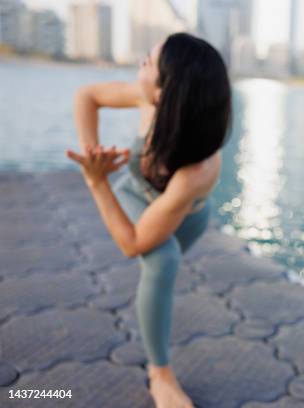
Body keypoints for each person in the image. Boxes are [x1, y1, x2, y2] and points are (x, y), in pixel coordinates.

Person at [66, 33, 231, 408]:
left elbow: (132, 243)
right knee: (162, 259)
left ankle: (149, 311)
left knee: (156, 263)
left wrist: (94, 182)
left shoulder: (200, 169)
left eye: (149, 62)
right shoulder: (146, 99)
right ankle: (161, 373)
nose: (141, 64)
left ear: (168, 90)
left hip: (188, 217)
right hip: (135, 193)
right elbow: (86, 97)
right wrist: (93, 157)